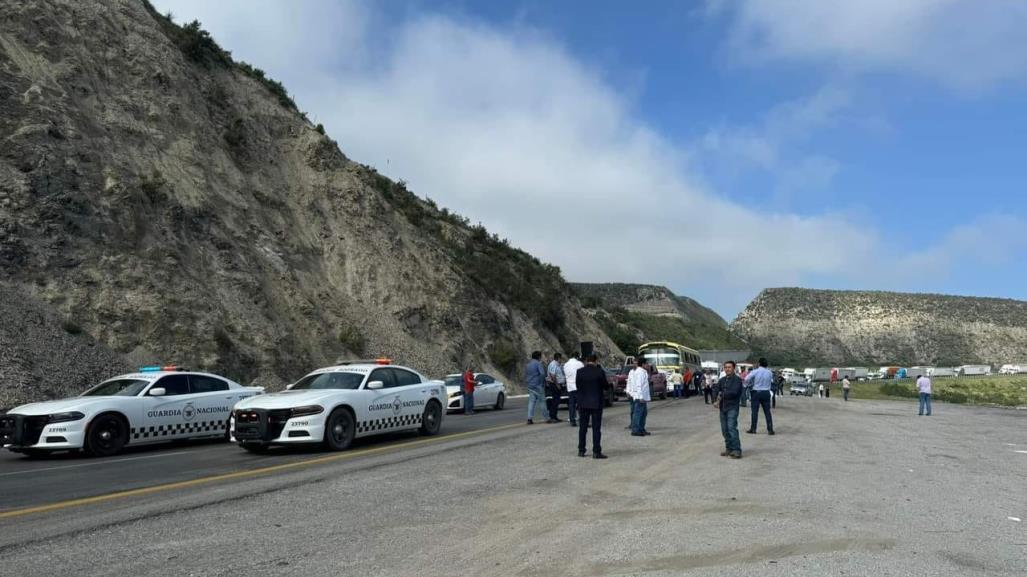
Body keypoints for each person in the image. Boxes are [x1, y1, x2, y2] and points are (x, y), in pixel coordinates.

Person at [574, 354, 608, 459]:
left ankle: (581, 450)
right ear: (596, 361)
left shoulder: (579, 372)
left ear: (586, 361)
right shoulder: (599, 372)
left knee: (582, 428)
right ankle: (596, 451)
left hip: (583, 403)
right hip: (596, 403)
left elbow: (577, 385)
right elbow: (605, 386)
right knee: (596, 428)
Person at [715, 360, 743, 458]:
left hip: (732, 407)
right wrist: (715, 399)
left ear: (733, 368)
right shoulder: (722, 380)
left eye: (729, 367)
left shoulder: (738, 380)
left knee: (731, 428)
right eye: (725, 367)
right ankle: (729, 448)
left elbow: (734, 392)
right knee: (724, 430)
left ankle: (737, 450)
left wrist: (721, 394)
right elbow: (716, 389)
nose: (727, 369)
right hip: (722, 408)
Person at [744, 358, 775, 435]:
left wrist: (749, 384)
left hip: (756, 392)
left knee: (755, 412)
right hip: (766, 392)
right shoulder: (770, 372)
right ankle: (770, 429)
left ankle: (753, 428)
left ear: (759, 363)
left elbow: (746, 378)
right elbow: (772, 381)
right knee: (767, 412)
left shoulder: (755, 371)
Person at [525, 351, 549, 424]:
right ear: (539, 357)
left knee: (531, 402)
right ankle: (546, 418)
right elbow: (542, 374)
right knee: (542, 402)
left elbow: (526, 374)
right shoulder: (538, 364)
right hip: (538, 385)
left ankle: (529, 418)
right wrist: (542, 382)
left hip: (530, 385)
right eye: (541, 356)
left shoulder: (528, 364)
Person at [630, 360, 651, 436]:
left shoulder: (642, 371)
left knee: (643, 413)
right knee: (638, 413)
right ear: (643, 364)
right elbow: (639, 385)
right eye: (647, 363)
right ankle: (635, 430)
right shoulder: (640, 372)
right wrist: (641, 397)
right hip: (640, 397)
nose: (648, 365)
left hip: (643, 397)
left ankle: (641, 429)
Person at [563, 352, 584, 427]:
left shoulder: (565, 365)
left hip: (570, 387)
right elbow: (582, 375)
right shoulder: (580, 364)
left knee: (571, 405)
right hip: (578, 387)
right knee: (580, 404)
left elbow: (566, 375)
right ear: (577, 357)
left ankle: (572, 420)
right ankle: (582, 420)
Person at [546, 353, 566, 423]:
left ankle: (555, 416)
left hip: (557, 384)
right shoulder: (553, 364)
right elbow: (552, 375)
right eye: (561, 359)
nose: (561, 360)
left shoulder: (557, 365)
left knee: (557, 401)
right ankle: (552, 416)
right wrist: (557, 384)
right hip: (554, 385)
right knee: (555, 401)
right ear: (558, 358)